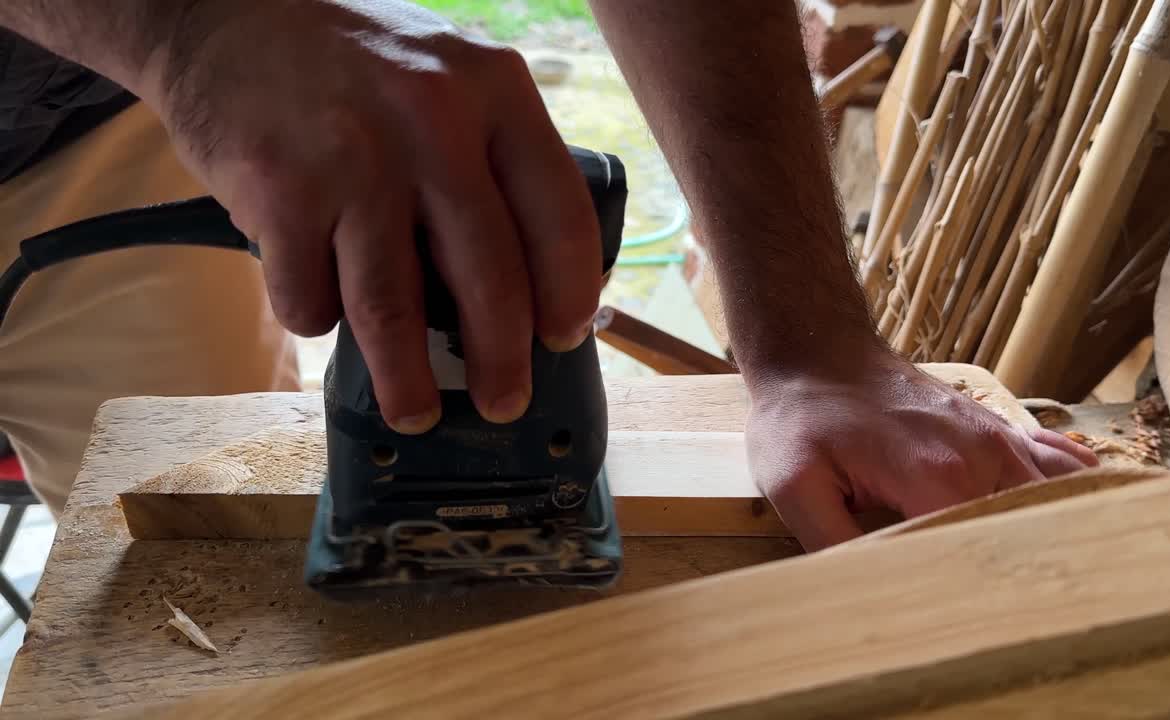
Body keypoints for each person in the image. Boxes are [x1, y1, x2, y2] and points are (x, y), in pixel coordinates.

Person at [0, 1, 1095, 549]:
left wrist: (809, 347)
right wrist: (196, 25)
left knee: (163, 531)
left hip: (87, 121)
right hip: (150, 43)